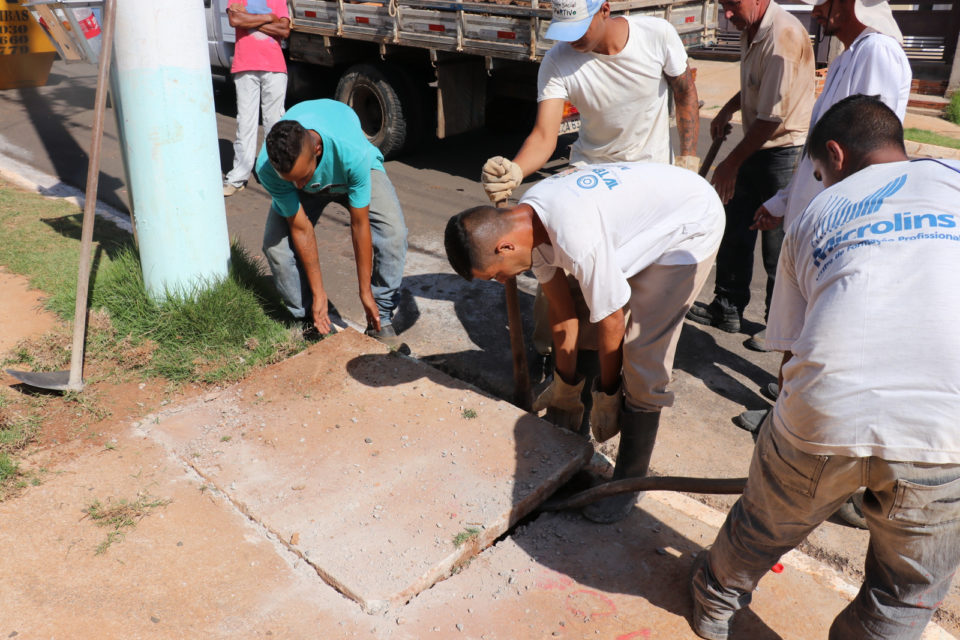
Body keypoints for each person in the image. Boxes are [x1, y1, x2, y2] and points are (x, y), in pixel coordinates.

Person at [689, 94, 960, 640]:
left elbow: (791, 348)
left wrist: (784, 451)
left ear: (835, 154)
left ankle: (715, 608)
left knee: (758, 529)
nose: (818, 180)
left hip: (826, 413)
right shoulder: (954, 179)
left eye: (817, 170)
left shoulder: (818, 212)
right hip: (947, 434)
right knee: (903, 597)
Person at [445, 162, 724, 523]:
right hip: (640, 221)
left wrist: (609, 394)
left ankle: (627, 483)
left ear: (505, 246)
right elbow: (563, 314)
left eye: (496, 273)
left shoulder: (574, 238)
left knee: (643, 355)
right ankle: (572, 440)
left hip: (689, 225)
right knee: (584, 303)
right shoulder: (531, 222)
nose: (501, 282)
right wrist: (566, 385)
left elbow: (611, 319)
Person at [735, 0, 910, 451]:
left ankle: (793, 427)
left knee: (819, 329)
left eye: (824, 0)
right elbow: (821, 148)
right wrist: (784, 201)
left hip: (842, 219)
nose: (815, 10)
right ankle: (786, 410)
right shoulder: (850, 54)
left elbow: (864, 148)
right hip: (818, 210)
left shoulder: (877, 53)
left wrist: (826, 213)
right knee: (803, 321)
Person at [480, 0, 701, 204]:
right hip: (591, 173)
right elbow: (543, 137)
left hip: (651, 172)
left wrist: (688, 161)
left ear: (605, 10)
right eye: (565, 29)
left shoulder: (656, 34)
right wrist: (515, 170)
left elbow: (685, 92)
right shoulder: (556, 62)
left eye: (579, 28)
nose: (570, 38)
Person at [685, 0, 814, 339]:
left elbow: (772, 119)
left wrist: (730, 163)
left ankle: (777, 329)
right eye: (723, 5)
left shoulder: (781, 36)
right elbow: (758, 85)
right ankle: (727, 307)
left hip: (783, 150)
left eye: (733, 4)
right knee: (736, 227)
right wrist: (728, 109)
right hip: (757, 145)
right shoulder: (751, 28)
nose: (727, 14)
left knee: (777, 245)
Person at [256, 99, 408, 343]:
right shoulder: (268, 168)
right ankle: (308, 319)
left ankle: (380, 316)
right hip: (318, 167)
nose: (299, 187)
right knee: (277, 248)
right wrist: (319, 294)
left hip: (349, 171)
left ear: (316, 149)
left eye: (303, 177)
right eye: (291, 181)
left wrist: (365, 291)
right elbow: (301, 228)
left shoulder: (351, 153)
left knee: (393, 233)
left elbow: (360, 225)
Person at [222, 0, 290, 197]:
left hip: (275, 67)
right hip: (245, 65)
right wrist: (269, 18)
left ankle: (275, 174)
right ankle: (237, 177)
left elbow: (284, 30)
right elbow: (235, 21)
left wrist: (248, 20)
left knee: (275, 123)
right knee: (245, 122)